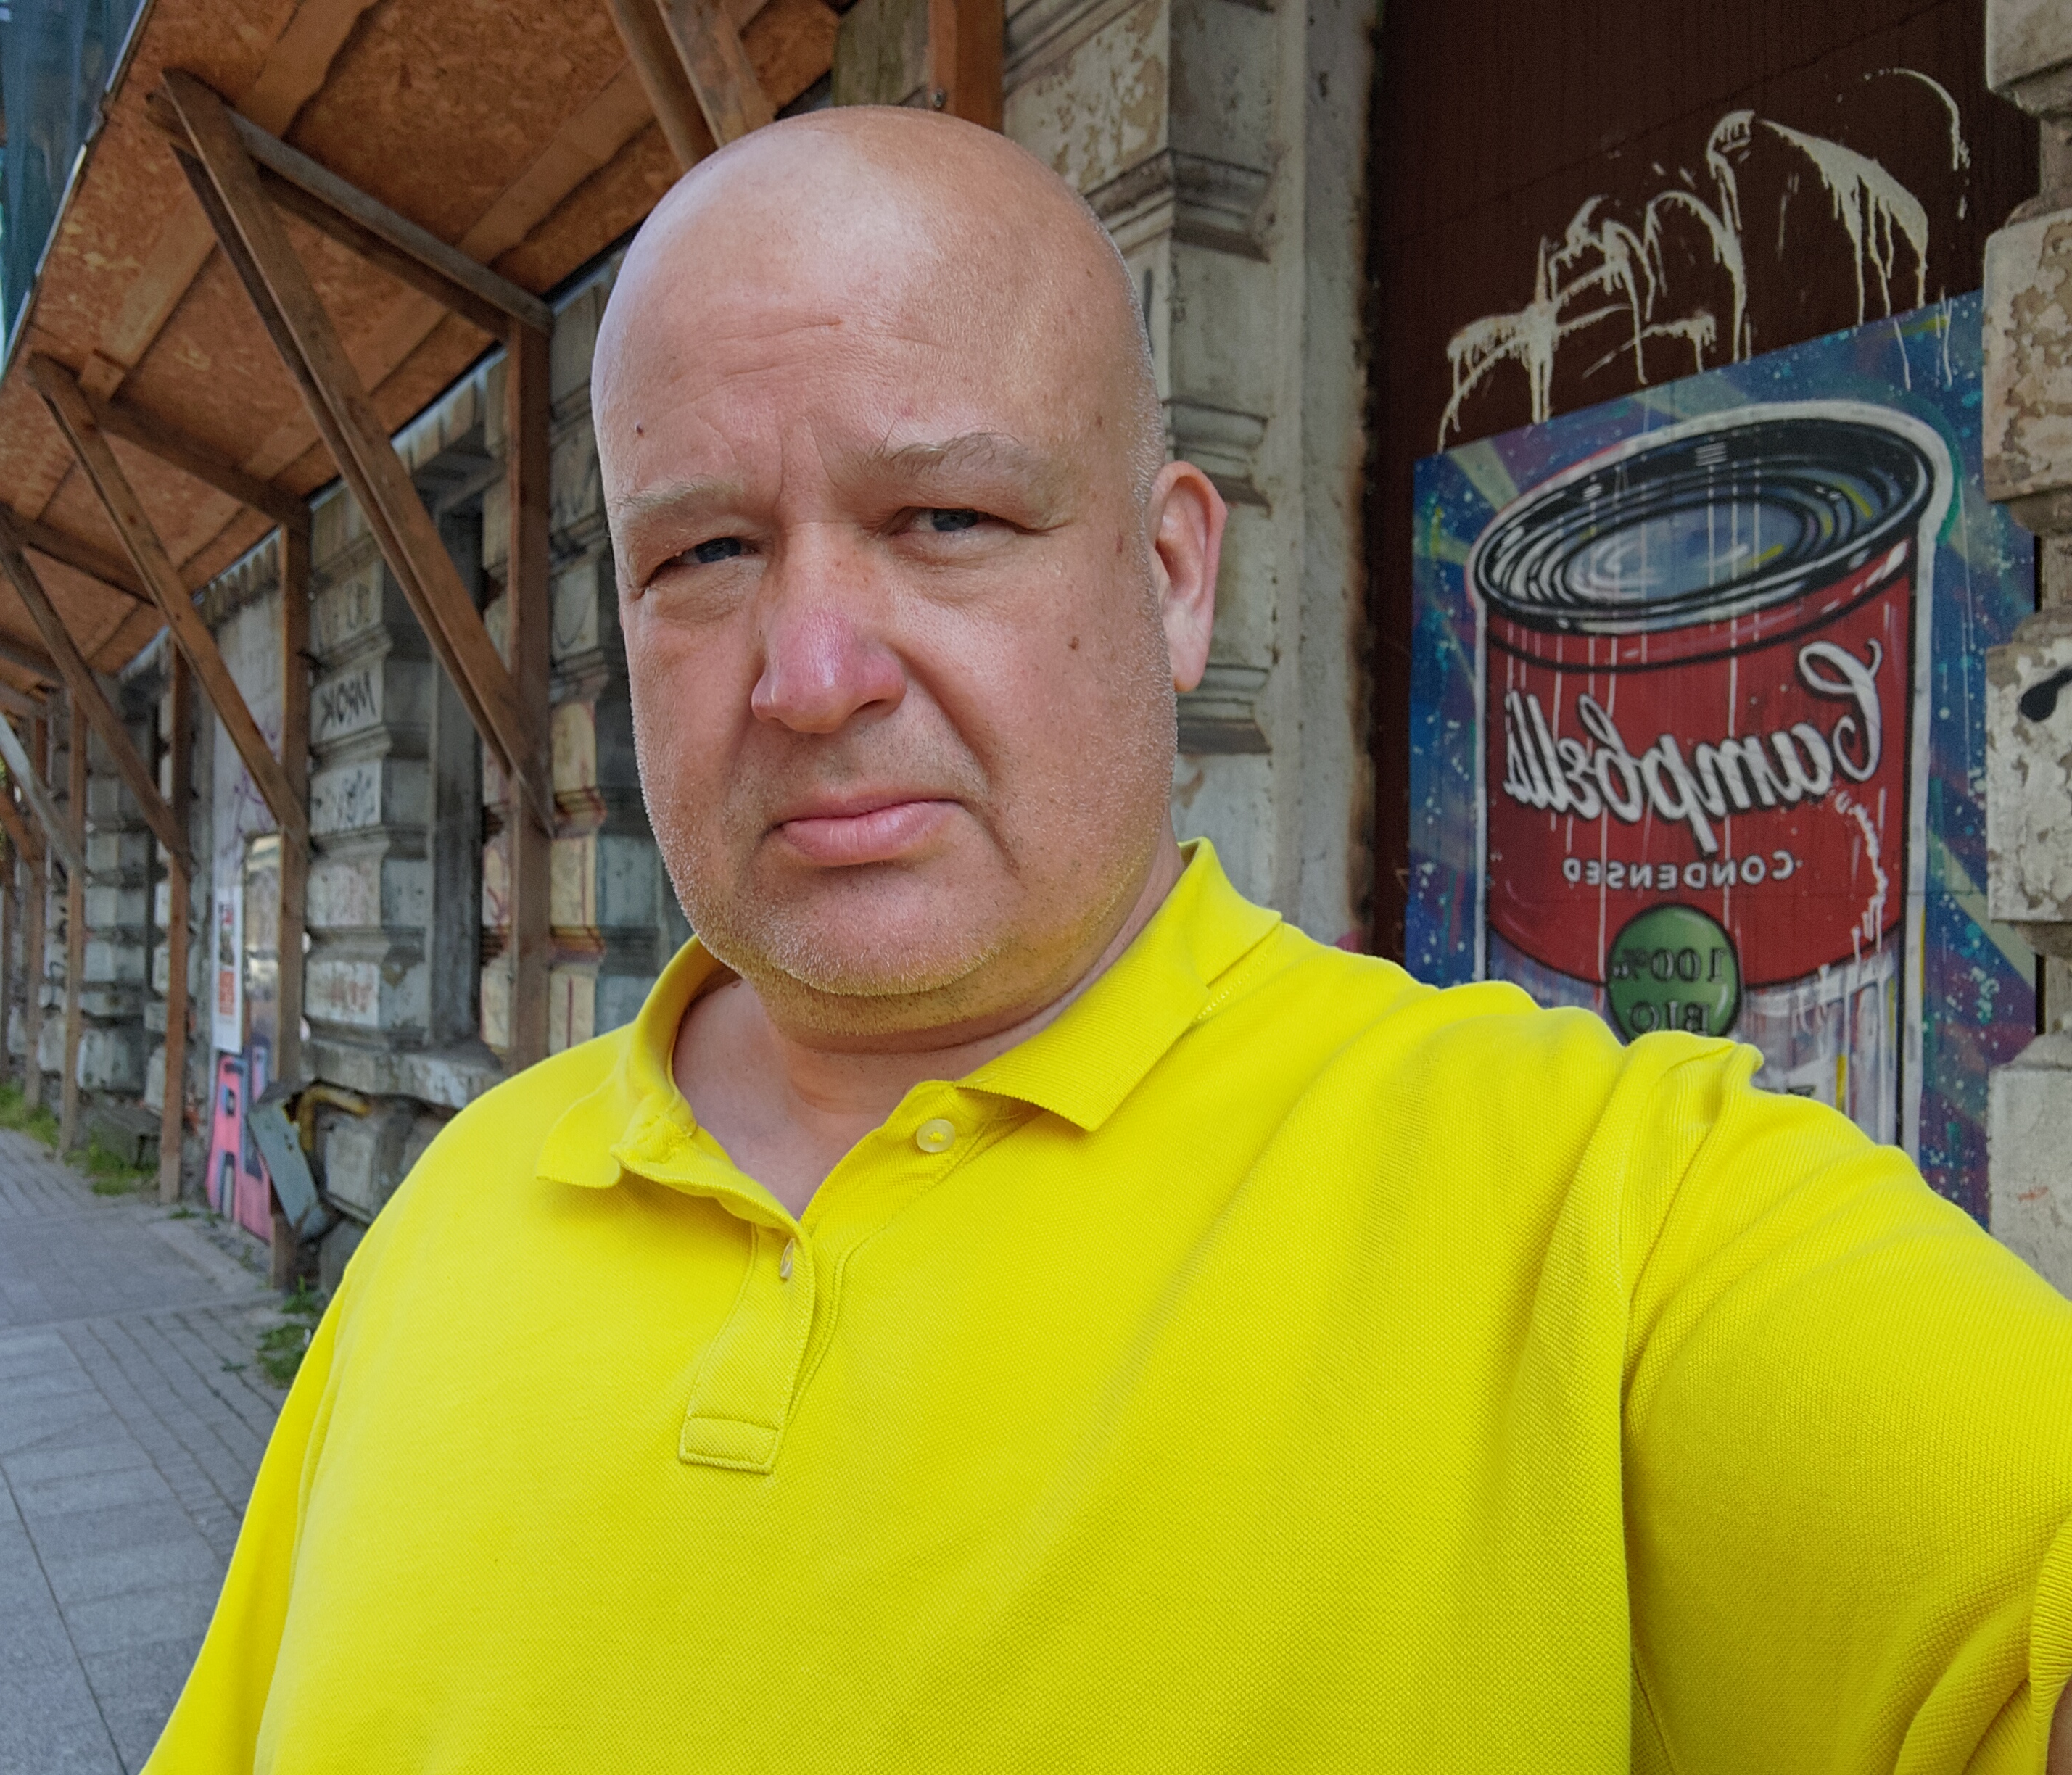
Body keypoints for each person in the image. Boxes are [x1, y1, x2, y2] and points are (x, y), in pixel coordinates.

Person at [144, 111, 2072, 1774]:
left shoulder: (1606, 1206)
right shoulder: (454, 1215)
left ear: (1170, 575)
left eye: (946, 516)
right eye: (704, 553)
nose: (810, 672)